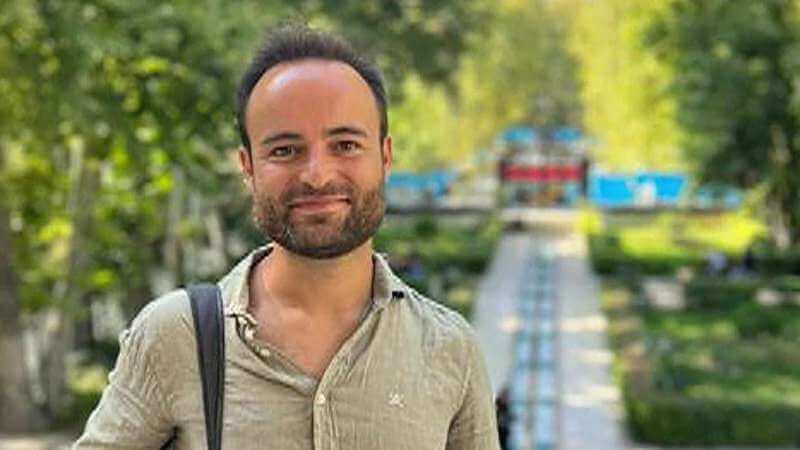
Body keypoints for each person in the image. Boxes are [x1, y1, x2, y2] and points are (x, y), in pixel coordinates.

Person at [74, 24, 500, 449]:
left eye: (345, 145)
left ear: (385, 157)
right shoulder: (175, 337)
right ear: (248, 167)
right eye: (284, 151)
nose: (317, 175)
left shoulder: (449, 349)